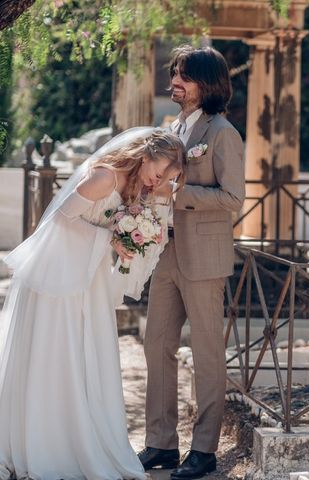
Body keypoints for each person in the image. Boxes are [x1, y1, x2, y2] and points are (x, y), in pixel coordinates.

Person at [0, 128, 186, 480]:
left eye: (168, 177)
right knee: (59, 352)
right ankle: (49, 443)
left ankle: (84, 435)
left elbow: (149, 216)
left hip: (90, 275)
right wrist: (111, 239)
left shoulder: (136, 186)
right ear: (146, 154)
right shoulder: (104, 176)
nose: (159, 179)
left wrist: (155, 200)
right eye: (160, 172)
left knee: (89, 354)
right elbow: (59, 220)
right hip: (60, 277)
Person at [137, 45, 245, 480]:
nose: (174, 83)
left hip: (204, 259)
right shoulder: (175, 127)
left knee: (205, 355)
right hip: (166, 255)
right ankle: (160, 444)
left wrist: (178, 195)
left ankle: (204, 451)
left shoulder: (223, 133)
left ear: (207, 83)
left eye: (183, 76)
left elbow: (233, 197)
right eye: (174, 74)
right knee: (155, 345)